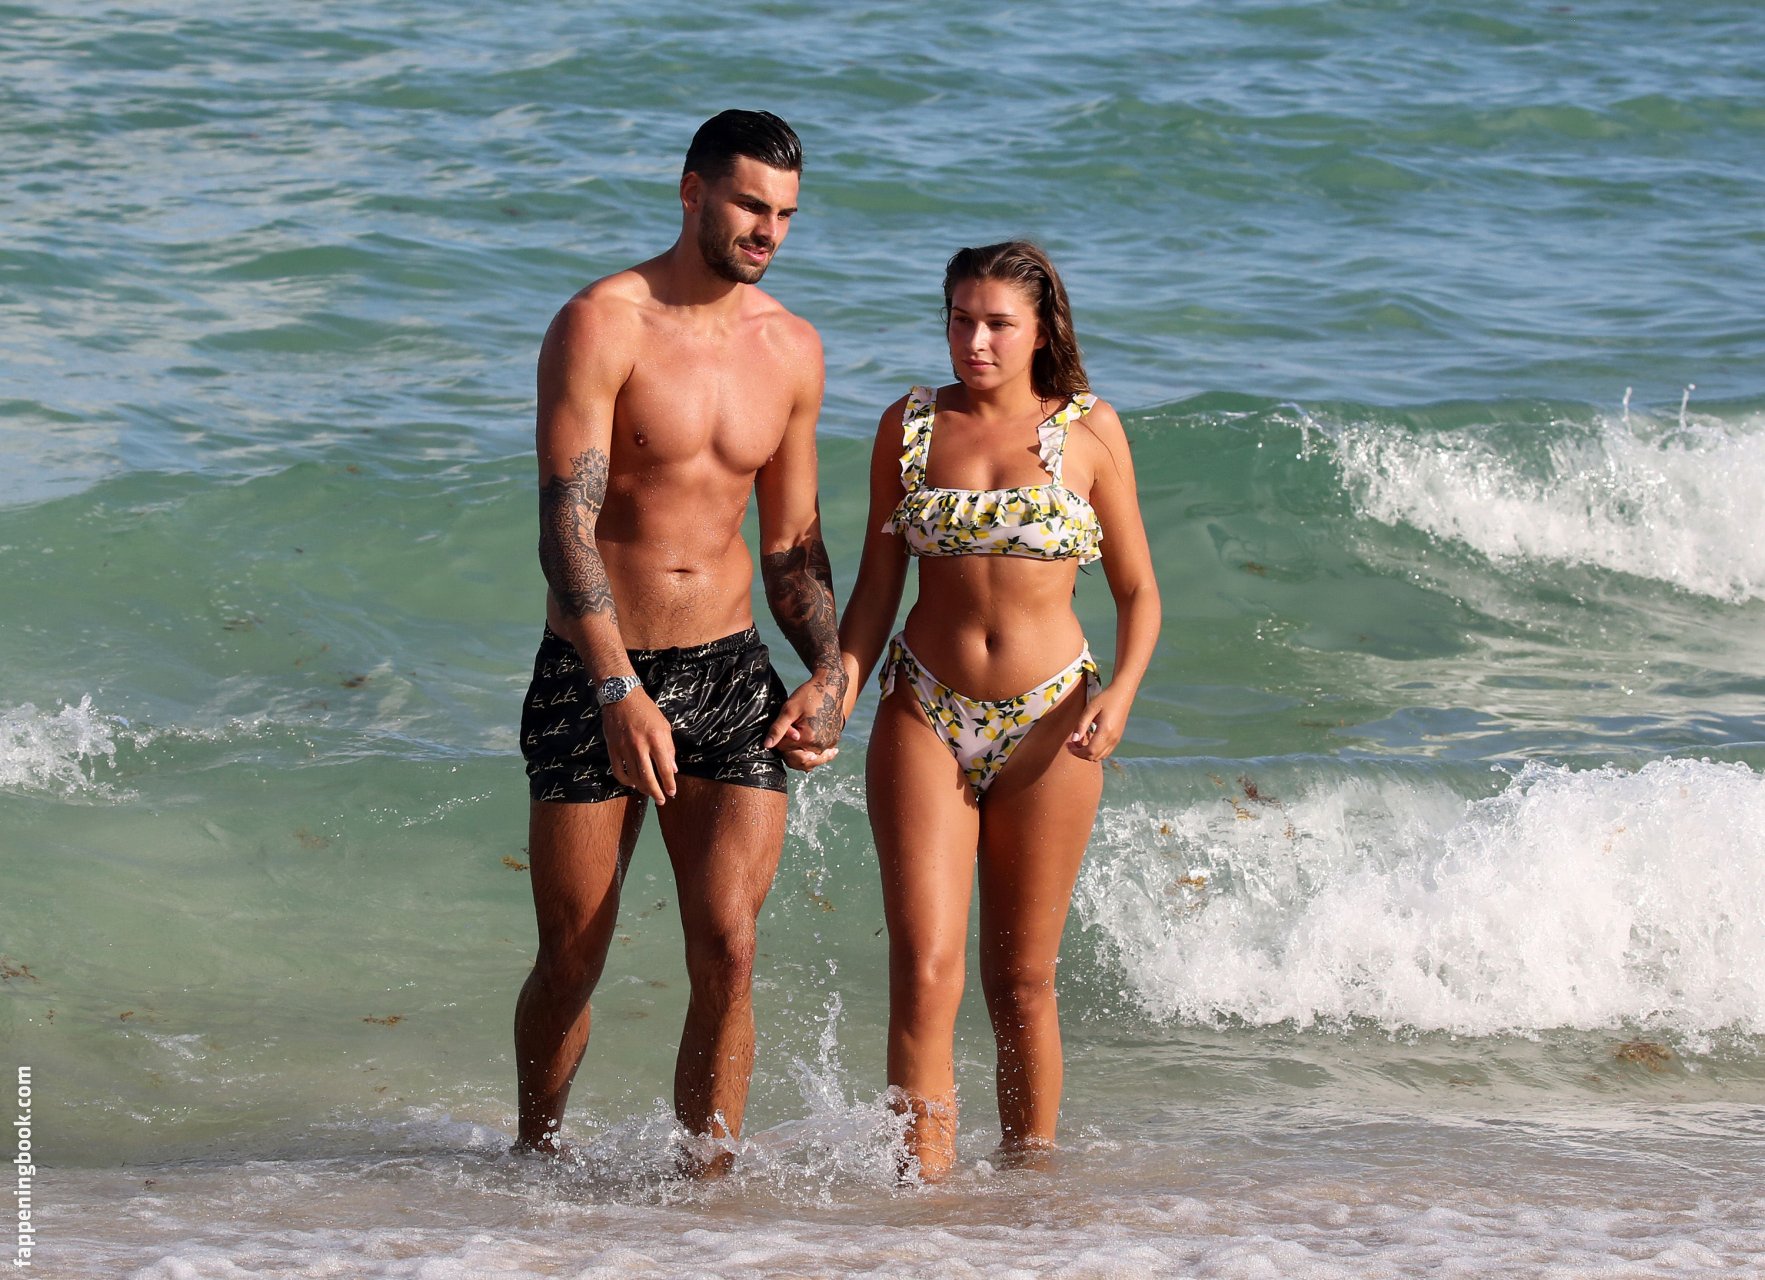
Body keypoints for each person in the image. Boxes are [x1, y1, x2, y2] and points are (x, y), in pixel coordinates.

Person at [512, 109, 846, 1175]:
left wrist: (830, 671)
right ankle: (534, 1163)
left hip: (728, 669)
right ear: (692, 190)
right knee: (572, 957)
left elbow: (792, 544)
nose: (768, 231)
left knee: (730, 949)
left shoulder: (791, 349)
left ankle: (707, 1197)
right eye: (750, 205)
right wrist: (616, 689)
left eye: (784, 214)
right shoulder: (600, 323)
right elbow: (565, 527)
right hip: (596, 671)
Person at [837, 241, 1160, 1181]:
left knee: (1020, 983)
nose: (973, 342)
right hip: (923, 709)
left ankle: (1028, 1200)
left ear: (1041, 330)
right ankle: (923, 1201)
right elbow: (875, 589)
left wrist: (1122, 694)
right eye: (959, 320)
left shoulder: (1090, 429)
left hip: (1053, 718)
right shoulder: (908, 423)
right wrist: (836, 689)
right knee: (923, 971)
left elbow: (1138, 591)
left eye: (996, 324)